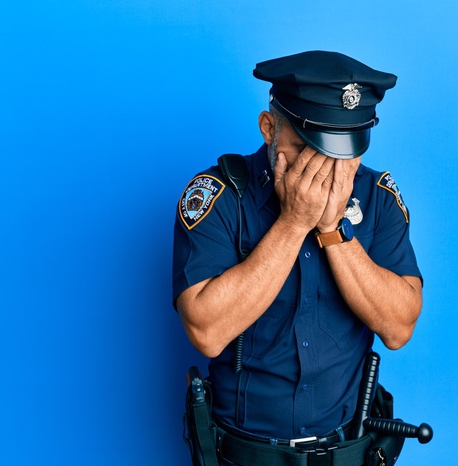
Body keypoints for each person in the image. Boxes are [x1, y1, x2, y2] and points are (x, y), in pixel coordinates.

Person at [172, 50, 423, 466]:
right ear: (269, 128)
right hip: (244, 456)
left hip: (348, 451)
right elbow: (207, 332)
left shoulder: (376, 196)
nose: (326, 170)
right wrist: (292, 224)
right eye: (309, 149)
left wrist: (333, 231)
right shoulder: (218, 198)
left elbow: (399, 327)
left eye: (343, 152)